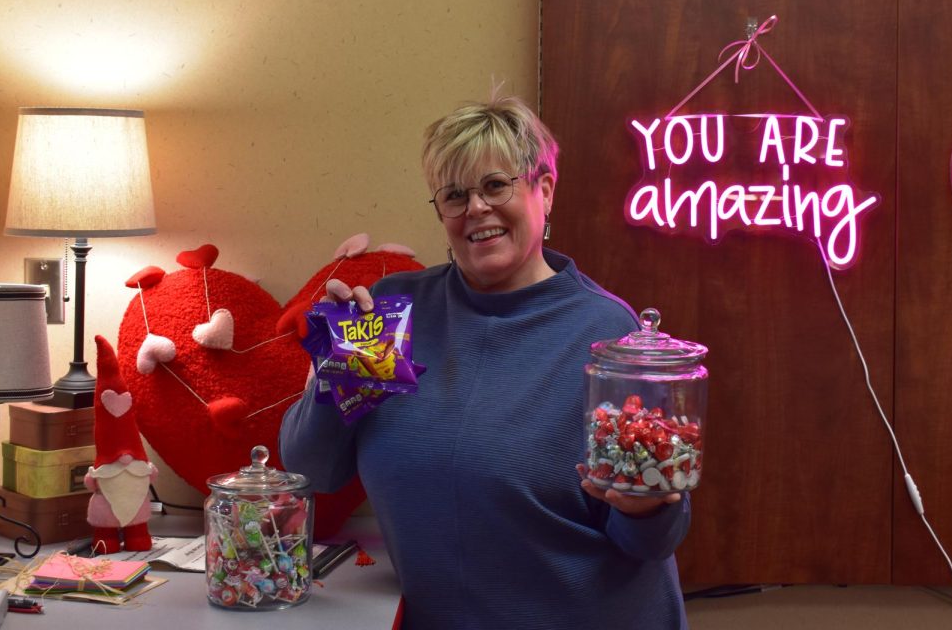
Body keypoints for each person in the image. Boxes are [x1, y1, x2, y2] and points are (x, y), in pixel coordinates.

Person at [279, 95, 691, 629]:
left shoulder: (607, 334)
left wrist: (647, 506)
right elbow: (315, 470)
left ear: (543, 191)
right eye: (454, 195)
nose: (475, 207)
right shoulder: (391, 313)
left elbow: (649, 540)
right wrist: (336, 368)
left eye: (496, 185)